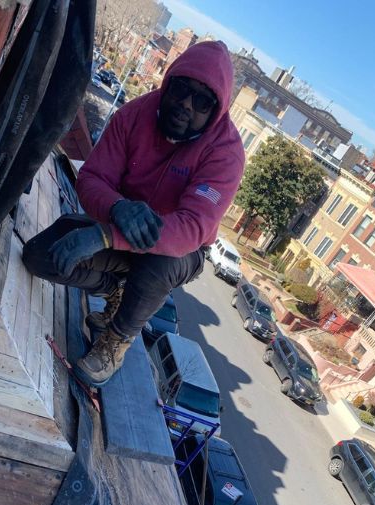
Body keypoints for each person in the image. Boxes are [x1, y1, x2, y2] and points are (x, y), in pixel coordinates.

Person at [23, 41, 245, 386]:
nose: (186, 104)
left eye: (202, 101)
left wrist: (104, 236)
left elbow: (191, 227)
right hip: (118, 221)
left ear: (215, 111)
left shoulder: (225, 153)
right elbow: (94, 177)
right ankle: (115, 290)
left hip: (174, 250)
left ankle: (118, 338)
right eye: (181, 89)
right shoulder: (135, 115)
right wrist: (116, 208)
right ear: (168, 83)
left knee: (161, 264)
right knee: (40, 256)